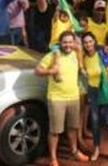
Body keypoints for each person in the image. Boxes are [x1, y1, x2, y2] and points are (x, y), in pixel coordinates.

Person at [34, 31, 88, 165]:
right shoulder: (52, 55)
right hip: (56, 98)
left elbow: (87, 50)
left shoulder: (76, 54)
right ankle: (53, 158)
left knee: (72, 128)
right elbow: (37, 70)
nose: (68, 45)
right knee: (55, 131)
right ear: (60, 43)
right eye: (65, 42)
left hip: (74, 97)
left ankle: (74, 151)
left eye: (70, 42)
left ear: (74, 43)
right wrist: (50, 71)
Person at [80, 32, 108, 163]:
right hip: (93, 92)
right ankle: (96, 148)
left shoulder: (102, 54)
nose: (88, 44)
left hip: (106, 91)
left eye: (90, 41)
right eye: (85, 42)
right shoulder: (84, 58)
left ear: (95, 41)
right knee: (95, 123)